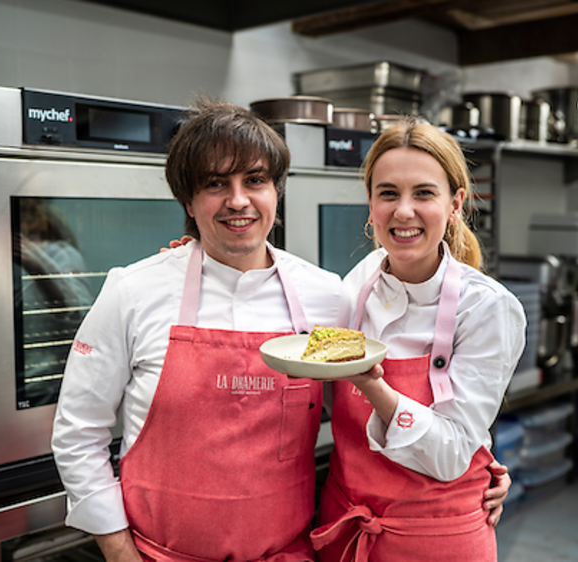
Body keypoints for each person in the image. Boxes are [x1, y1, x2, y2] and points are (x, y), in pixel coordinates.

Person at [51, 98, 351, 561]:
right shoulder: (133, 290)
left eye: (255, 180)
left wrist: (476, 466)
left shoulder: (326, 297)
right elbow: (79, 431)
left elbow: (363, 423)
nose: (238, 200)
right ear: (189, 202)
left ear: (276, 192)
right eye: (215, 183)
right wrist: (117, 549)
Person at [309, 119, 527, 561]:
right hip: (346, 527)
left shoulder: (487, 308)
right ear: (370, 205)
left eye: (424, 193)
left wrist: (374, 385)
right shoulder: (358, 283)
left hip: (435, 538)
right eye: (388, 193)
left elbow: (449, 455)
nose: (403, 211)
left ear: (455, 203)